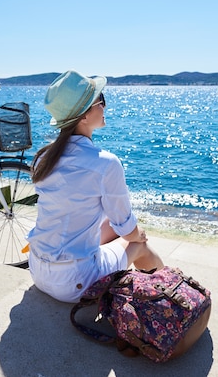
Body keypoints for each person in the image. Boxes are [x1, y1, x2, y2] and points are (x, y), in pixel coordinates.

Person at [27, 70, 164, 303]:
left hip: (38, 271)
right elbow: (128, 230)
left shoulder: (44, 157)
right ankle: (169, 294)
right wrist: (138, 236)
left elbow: (114, 222)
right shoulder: (105, 163)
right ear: (83, 116)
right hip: (74, 283)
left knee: (111, 224)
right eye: (101, 101)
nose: (105, 107)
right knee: (138, 244)